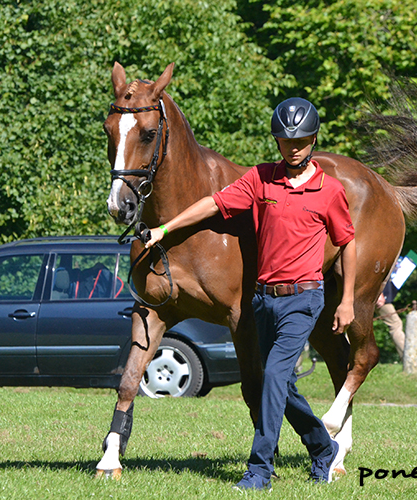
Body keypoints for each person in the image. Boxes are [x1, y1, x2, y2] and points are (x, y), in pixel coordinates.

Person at [144, 97, 356, 490]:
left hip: (304, 298)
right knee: (278, 383)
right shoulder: (261, 179)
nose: (293, 147)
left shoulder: (331, 190)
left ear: (313, 139)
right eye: (285, 140)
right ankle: (322, 449)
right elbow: (212, 203)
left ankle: (259, 470)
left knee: (274, 375)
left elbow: (347, 241)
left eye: (301, 140)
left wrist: (345, 302)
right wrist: (165, 229)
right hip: (263, 299)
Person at [376, 278, 405, 359]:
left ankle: (344, 358)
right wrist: (378, 292)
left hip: (369, 295)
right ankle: (410, 359)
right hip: (376, 296)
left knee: (357, 325)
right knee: (395, 324)